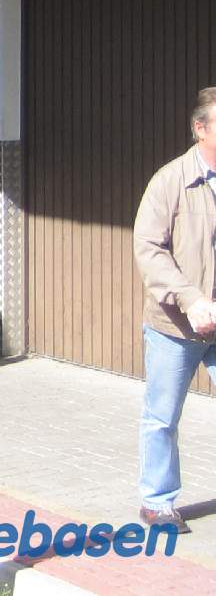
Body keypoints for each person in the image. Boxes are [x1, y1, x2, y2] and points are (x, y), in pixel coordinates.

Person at [133, 86, 216, 534]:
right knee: (162, 417)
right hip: (175, 327)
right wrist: (190, 297)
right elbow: (149, 250)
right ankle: (157, 503)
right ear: (199, 129)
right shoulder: (170, 181)